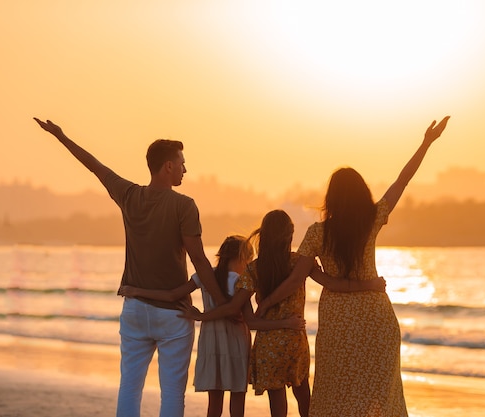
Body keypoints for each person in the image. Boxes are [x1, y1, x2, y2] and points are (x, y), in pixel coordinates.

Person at [257, 116, 450, 417]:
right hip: (377, 319)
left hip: (338, 324)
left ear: (331, 197)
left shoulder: (318, 233)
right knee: (378, 400)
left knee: (337, 397)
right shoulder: (371, 221)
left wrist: (266, 302)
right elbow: (402, 181)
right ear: (362, 193)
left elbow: (296, 279)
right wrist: (426, 143)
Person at [33, 118, 227, 417]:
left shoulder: (129, 195)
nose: (185, 169)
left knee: (129, 387)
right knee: (173, 393)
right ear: (168, 167)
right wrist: (223, 305)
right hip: (173, 314)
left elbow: (95, 166)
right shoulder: (184, 205)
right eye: (182, 163)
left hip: (135, 309)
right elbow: (199, 261)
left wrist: (61, 136)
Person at [179, 210, 385, 417]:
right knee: (304, 397)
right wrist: (370, 284)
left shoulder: (253, 270)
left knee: (278, 406)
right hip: (295, 343)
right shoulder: (300, 263)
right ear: (290, 236)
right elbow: (333, 284)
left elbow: (246, 318)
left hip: (268, 348)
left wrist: (201, 316)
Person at [120, 234, 305, 417]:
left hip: (211, 342)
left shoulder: (205, 276)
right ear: (243, 258)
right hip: (236, 343)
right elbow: (242, 315)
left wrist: (136, 291)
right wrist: (285, 321)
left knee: (214, 405)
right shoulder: (241, 281)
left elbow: (172, 295)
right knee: (237, 402)